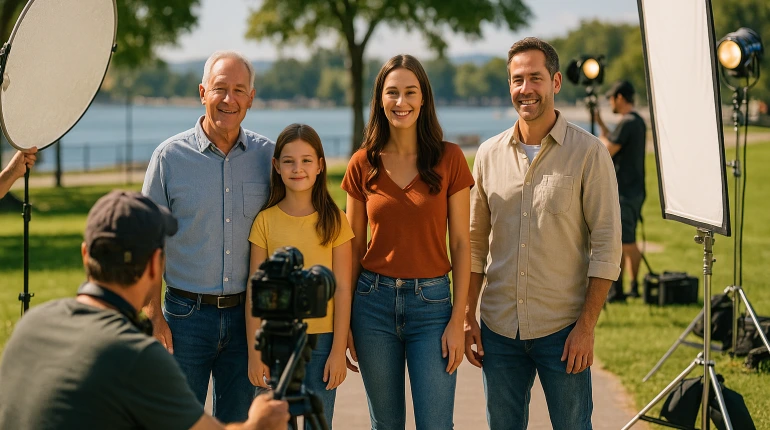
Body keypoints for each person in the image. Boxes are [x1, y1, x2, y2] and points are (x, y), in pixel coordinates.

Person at [0, 190, 290, 430]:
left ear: (85, 254)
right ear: (155, 265)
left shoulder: (32, 323)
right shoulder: (134, 353)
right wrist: (259, 423)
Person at [463, 37, 621, 430]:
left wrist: (586, 328)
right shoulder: (487, 154)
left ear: (555, 82)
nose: (525, 89)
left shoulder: (588, 152)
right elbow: (474, 244)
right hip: (499, 331)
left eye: (535, 78)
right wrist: (467, 315)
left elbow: (606, 245)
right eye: (517, 80)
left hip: (563, 332)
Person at [341, 54, 474, 429]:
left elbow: (462, 244)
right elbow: (352, 247)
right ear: (380, 100)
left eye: (410, 92)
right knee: (386, 425)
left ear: (424, 98)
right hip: (371, 306)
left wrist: (458, 319)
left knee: (436, 424)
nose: (402, 102)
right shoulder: (361, 164)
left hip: (432, 307)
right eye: (393, 93)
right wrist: (347, 320)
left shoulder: (450, 159)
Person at [142, 50, 275, 423]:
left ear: (251, 97)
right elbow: (147, 243)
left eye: (238, 90)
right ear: (203, 92)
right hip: (184, 320)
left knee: (239, 423)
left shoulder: (270, 158)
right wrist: (154, 317)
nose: (228, 99)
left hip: (248, 319)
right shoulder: (168, 158)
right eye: (219, 89)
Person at [247, 123, 355, 428]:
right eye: (289, 161)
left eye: (307, 160)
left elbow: (343, 288)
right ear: (276, 166)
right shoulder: (264, 222)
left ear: (320, 165)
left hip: (321, 345)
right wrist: (256, 355)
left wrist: (337, 350)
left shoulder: (336, 220)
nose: (298, 169)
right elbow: (255, 292)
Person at [596, 80, 647, 301]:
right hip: (634, 189)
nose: (610, 103)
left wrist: (593, 141)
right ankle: (627, 288)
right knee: (626, 239)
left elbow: (607, 150)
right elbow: (615, 140)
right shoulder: (636, 121)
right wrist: (599, 122)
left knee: (625, 242)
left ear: (619, 97)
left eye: (611, 98)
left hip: (625, 191)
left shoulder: (627, 123)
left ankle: (628, 289)